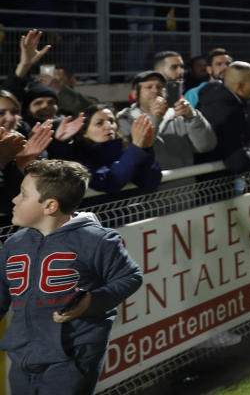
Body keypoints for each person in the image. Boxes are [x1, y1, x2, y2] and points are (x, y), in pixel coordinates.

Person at [0, 159, 143, 394]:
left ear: (50, 206)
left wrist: (91, 302)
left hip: (72, 357)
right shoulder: (14, 243)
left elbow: (130, 277)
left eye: (23, 194)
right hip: (22, 356)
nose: (15, 200)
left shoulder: (96, 239)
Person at [49, 104, 161, 194]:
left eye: (111, 121)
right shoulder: (80, 157)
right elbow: (109, 182)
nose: (109, 126)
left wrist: (146, 148)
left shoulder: (126, 149)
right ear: (84, 132)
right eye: (99, 123)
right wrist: (136, 148)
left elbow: (151, 182)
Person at [117, 70, 217, 170]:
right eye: (149, 87)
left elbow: (205, 146)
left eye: (160, 87)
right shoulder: (124, 119)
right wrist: (154, 119)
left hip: (184, 183)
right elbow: (137, 153)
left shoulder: (179, 115)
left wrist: (192, 117)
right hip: (150, 184)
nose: (155, 91)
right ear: (135, 93)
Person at [194, 62, 250, 173]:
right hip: (216, 182)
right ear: (240, 86)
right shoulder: (227, 112)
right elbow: (236, 162)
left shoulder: (216, 100)